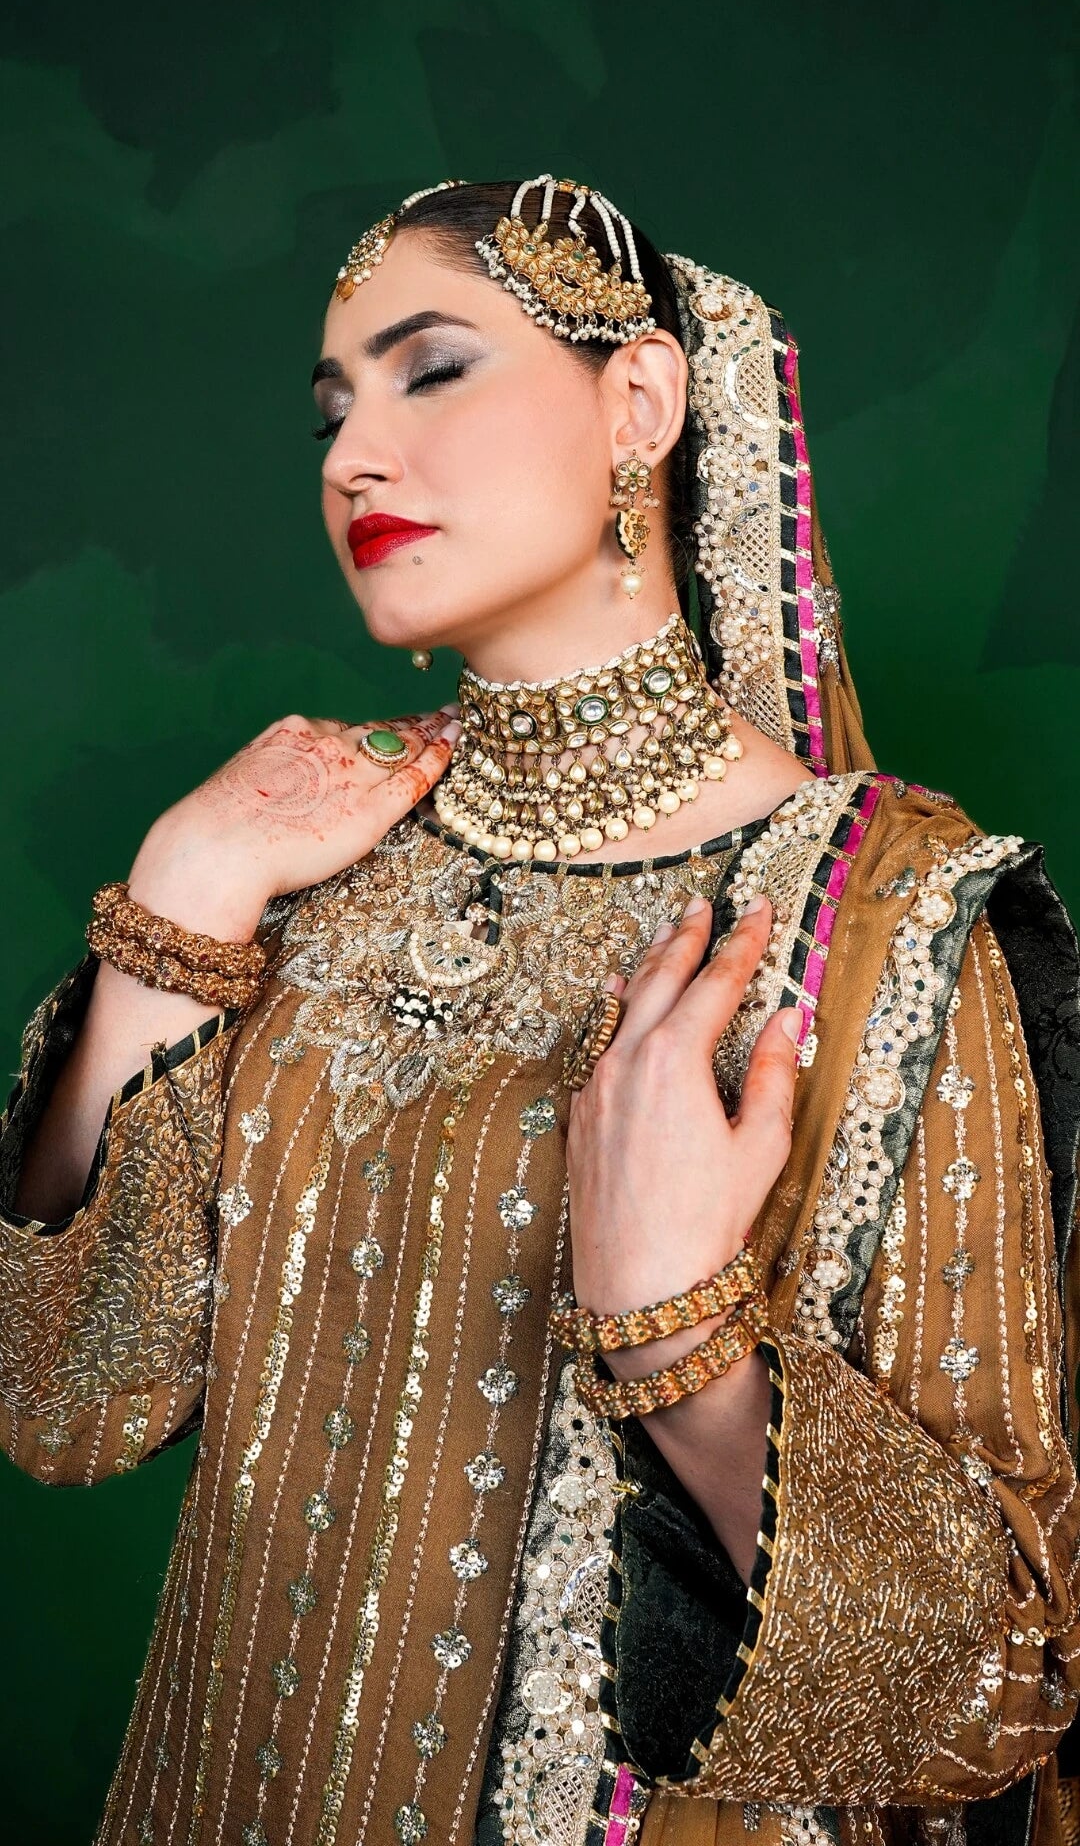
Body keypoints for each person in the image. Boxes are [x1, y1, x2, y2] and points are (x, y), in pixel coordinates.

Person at [1, 175, 1078, 1846]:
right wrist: (179, 901)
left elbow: (994, 1676)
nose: (355, 455)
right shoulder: (303, 863)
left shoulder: (882, 917)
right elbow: (65, 1398)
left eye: (432, 371)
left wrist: (686, 1346)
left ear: (640, 400)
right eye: (333, 407)